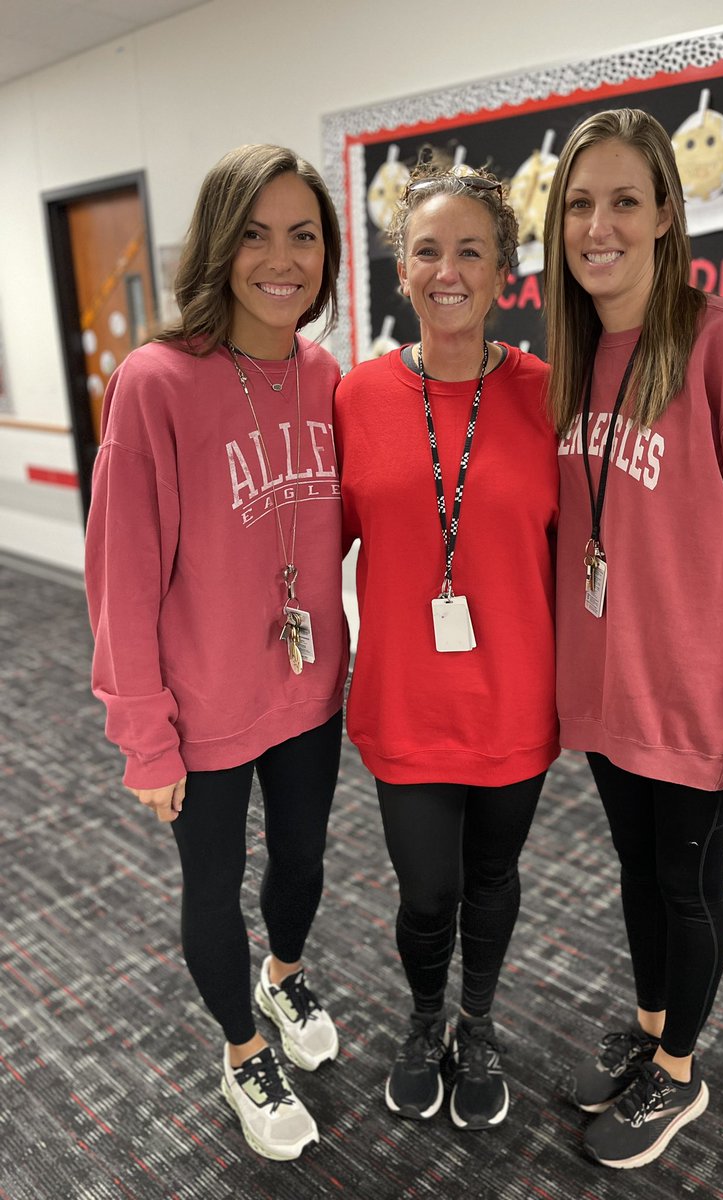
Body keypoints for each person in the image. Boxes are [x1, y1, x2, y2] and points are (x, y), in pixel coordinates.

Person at [542, 109, 723, 1169]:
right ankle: (657, 1029)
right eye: (579, 203)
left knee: (687, 882)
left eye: (625, 199)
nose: (599, 225)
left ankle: (680, 1080)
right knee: (637, 870)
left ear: (669, 212)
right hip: (613, 691)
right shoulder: (577, 353)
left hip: (704, 698)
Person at [84, 145, 348, 1162]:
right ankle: (242, 1050)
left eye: (304, 235)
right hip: (203, 711)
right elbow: (122, 580)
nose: (280, 259)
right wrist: (143, 738)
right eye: (255, 233)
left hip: (311, 693)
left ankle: (281, 985)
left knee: (304, 865)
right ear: (218, 245)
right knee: (214, 887)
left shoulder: (325, 375)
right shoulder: (154, 383)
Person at [334, 165, 559, 1131]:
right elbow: (297, 544)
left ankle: (479, 1021)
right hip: (406, 702)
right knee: (427, 889)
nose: (449, 269)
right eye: (429, 250)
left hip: (514, 698)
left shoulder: (552, 396)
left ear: (505, 271)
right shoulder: (355, 397)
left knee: (494, 878)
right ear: (402, 271)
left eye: (472, 250)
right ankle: (425, 1019)